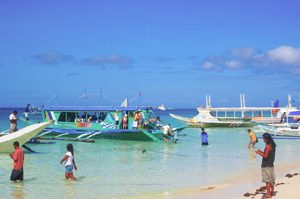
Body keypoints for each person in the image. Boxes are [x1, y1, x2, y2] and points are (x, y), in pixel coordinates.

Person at [255, 133, 276, 198]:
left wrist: (258, 153)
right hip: (271, 164)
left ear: (266, 139)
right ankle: (272, 193)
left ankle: (268, 194)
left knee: (267, 180)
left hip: (266, 165)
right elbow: (268, 154)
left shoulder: (267, 146)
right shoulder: (272, 145)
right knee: (271, 179)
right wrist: (261, 151)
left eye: (264, 138)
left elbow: (266, 156)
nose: (263, 140)